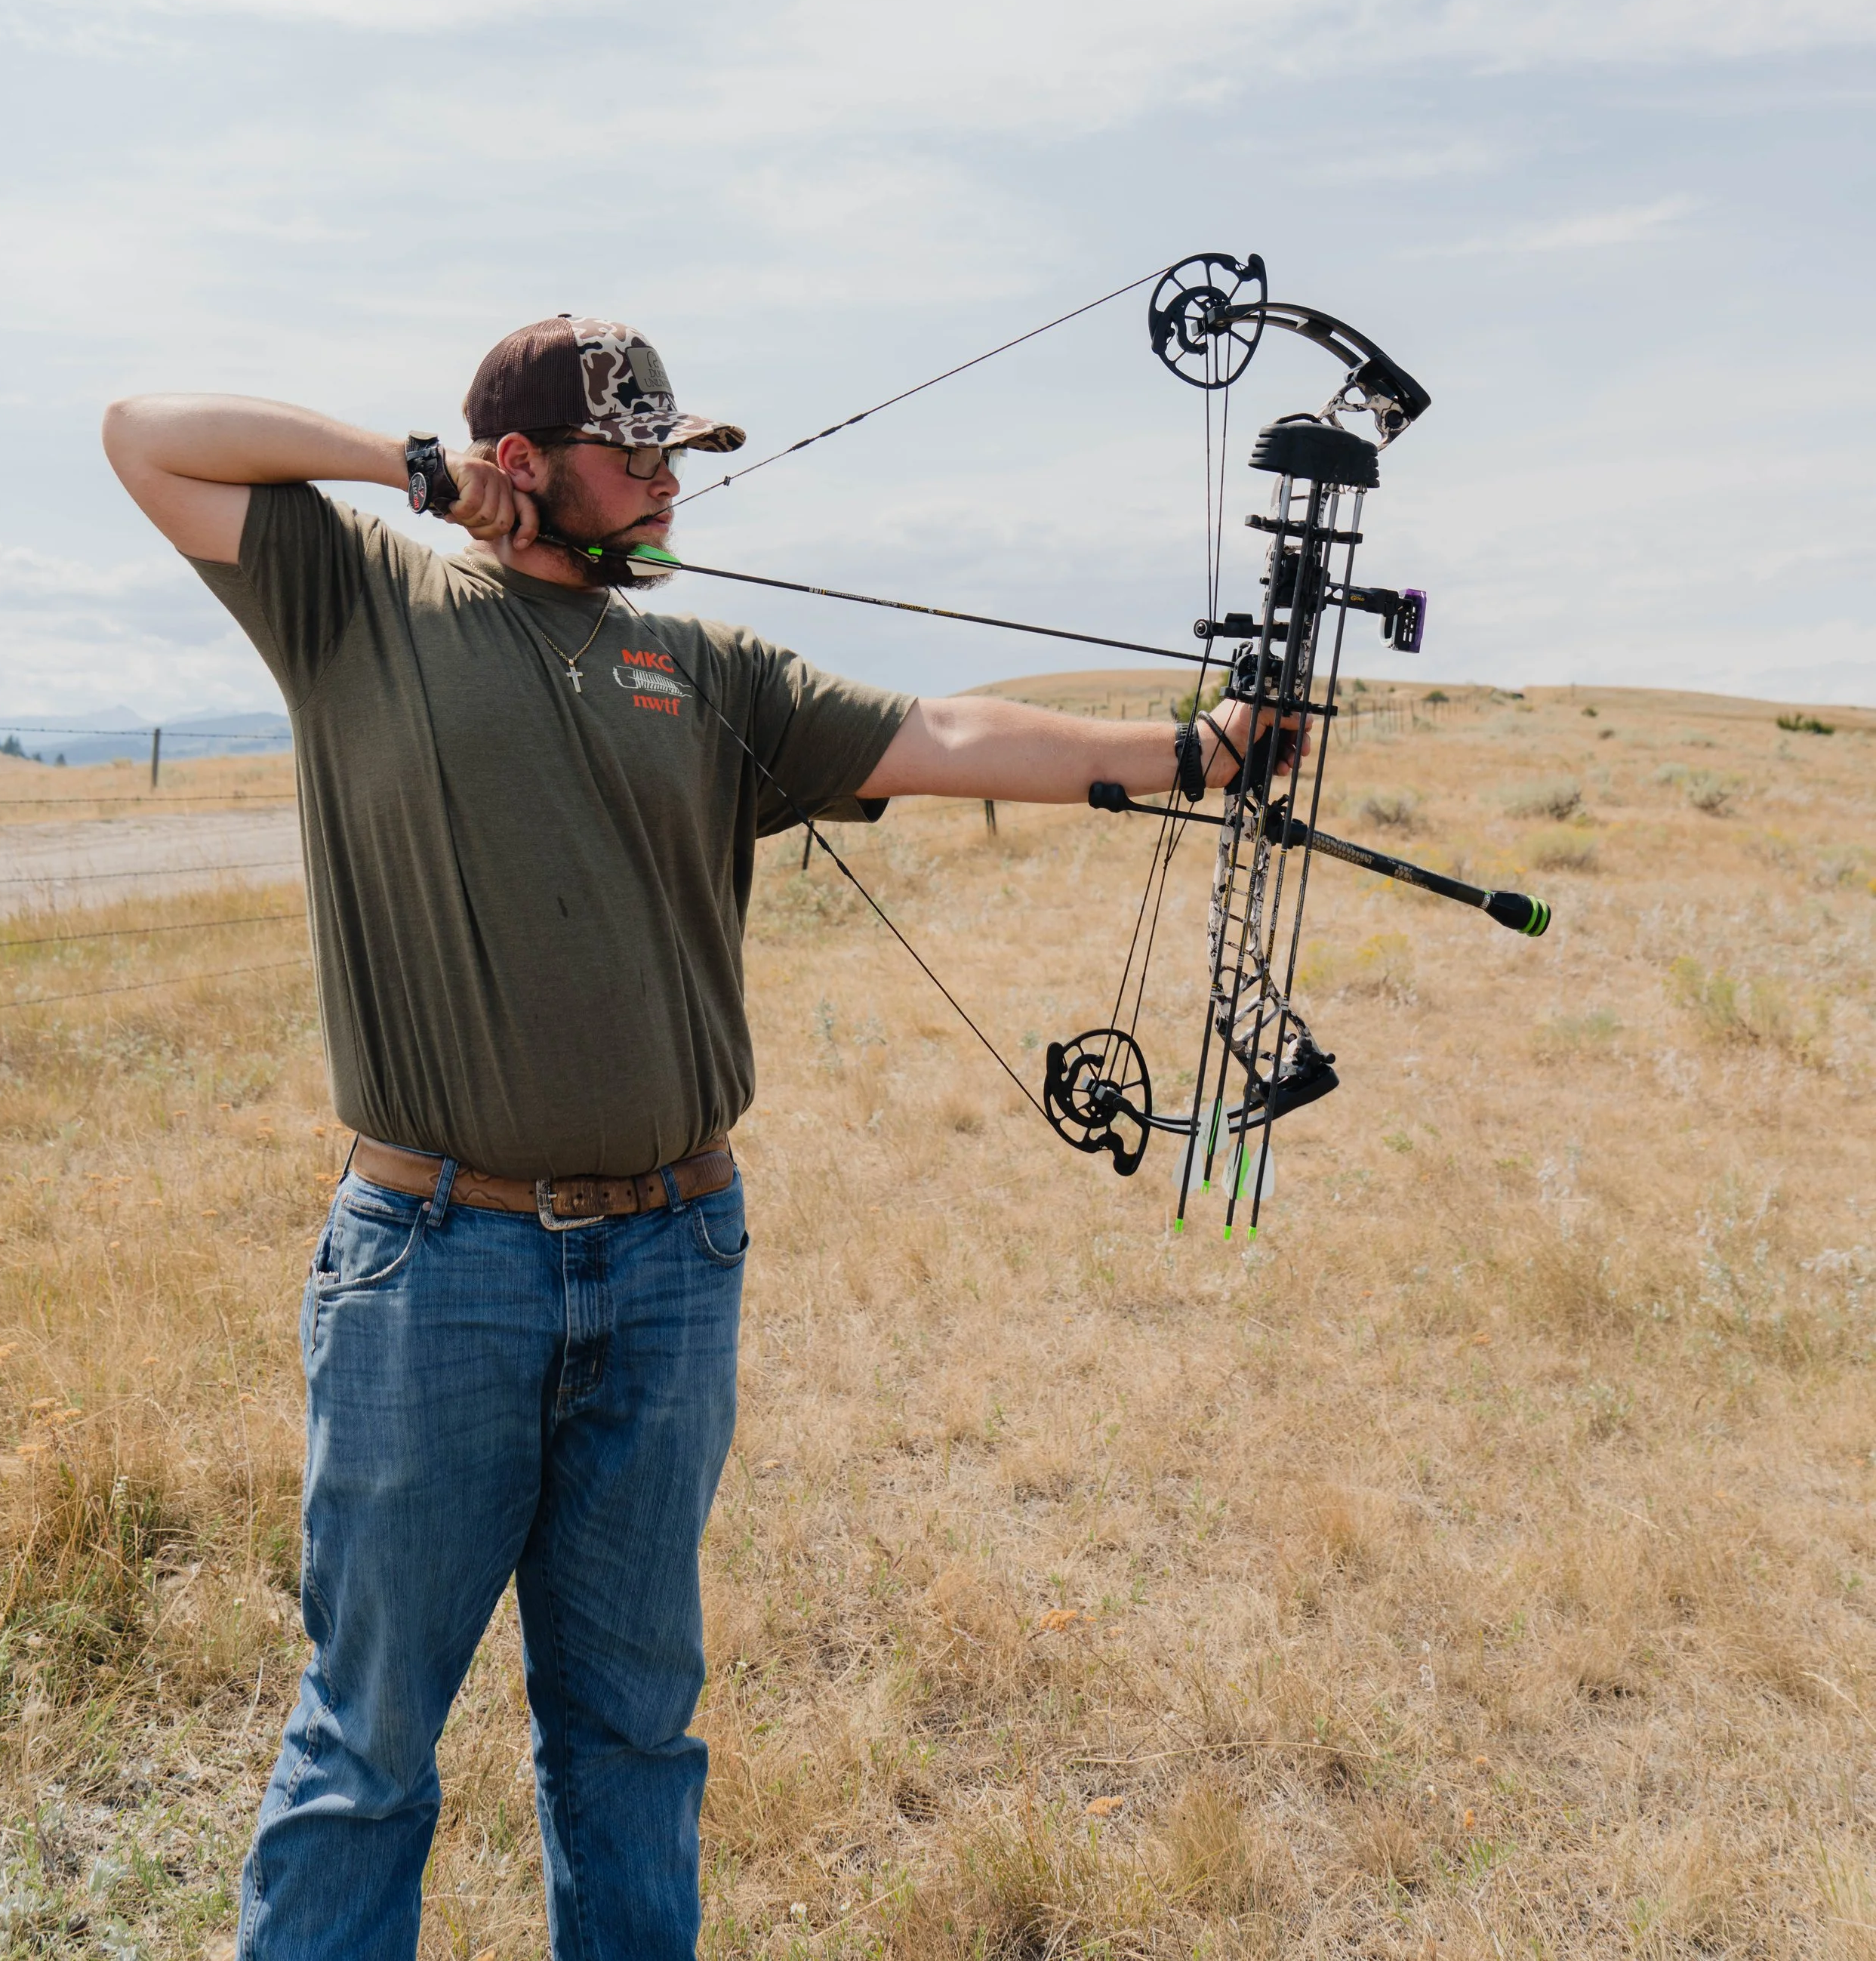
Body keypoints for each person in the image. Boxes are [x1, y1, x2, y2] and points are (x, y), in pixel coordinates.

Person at [102, 313, 1277, 1961]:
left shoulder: (707, 671)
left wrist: (1182, 752)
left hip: (670, 1260)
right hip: (437, 1266)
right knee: (369, 1745)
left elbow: (936, 737)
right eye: (636, 453)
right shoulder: (358, 600)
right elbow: (147, 429)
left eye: (678, 455)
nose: (667, 486)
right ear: (522, 466)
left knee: (634, 1736)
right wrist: (408, 471)